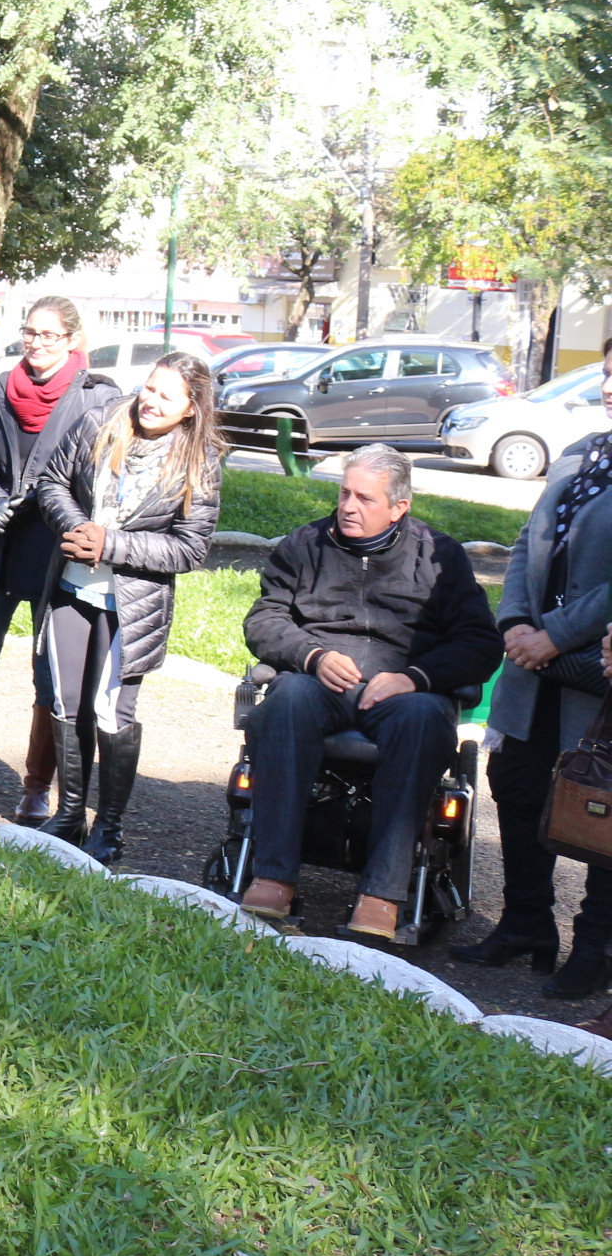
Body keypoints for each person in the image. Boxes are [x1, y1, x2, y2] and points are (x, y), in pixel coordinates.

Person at [240, 445, 504, 939]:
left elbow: (481, 643)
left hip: (403, 691)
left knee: (424, 718)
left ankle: (381, 893)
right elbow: (264, 619)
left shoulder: (439, 556)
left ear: (398, 507)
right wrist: (311, 656)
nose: (348, 506)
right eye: (344, 493)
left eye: (364, 498)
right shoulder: (305, 545)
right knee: (286, 701)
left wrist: (415, 677)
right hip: (321, 681)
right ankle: (273, 875)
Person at [28, 354, 223, 863]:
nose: (150, 401)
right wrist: (76, 529)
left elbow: (189, 548)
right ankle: (70, 815)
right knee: (67, 702)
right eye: (149, 388)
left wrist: (110, 545)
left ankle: (108, 826)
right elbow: (51, 482)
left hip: (132, 604)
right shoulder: (100, 421)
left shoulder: (199, 462)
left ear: (190, 409)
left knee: (111, 710)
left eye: (167, 396)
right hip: (71, 587)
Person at [0, 296, 121, 815]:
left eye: (49, 335)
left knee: (49, 675)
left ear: (74, 341)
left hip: (57, 554)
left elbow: (102, 479)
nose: (36, 344)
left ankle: (36, 790)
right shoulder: (1, 391)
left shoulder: (98, 400)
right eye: (30, 333)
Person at [457, 381, 612, 996]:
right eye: (607, 370)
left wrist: (553, 634)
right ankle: (526, 925)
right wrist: (516, 621)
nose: (608, 385)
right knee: (517, 783)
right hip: (533, 661)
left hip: (592, 671)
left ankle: (595, 946)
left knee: (600, 801)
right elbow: (528, 544)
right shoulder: (582, 451)